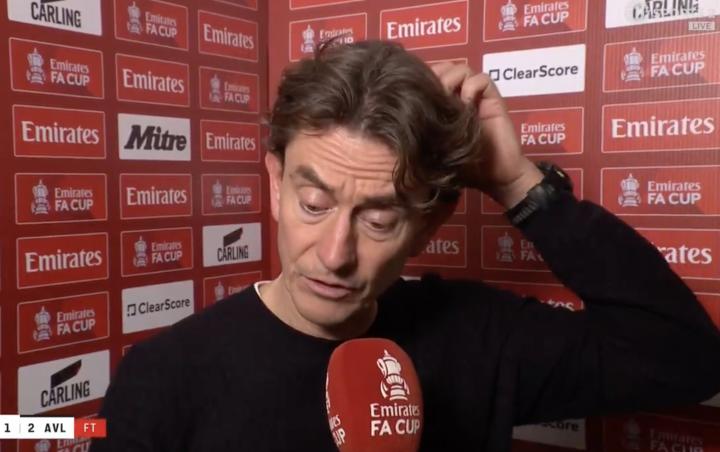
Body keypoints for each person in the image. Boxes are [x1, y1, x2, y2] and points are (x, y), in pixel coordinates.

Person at [91, 40, 720, 451]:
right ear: (276, 183)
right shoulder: (164, 379)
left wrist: (519, 185)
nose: (335, 254)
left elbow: (684, 357)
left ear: (429, 223)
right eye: (314, 204)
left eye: (378, 220)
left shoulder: (478, 338)